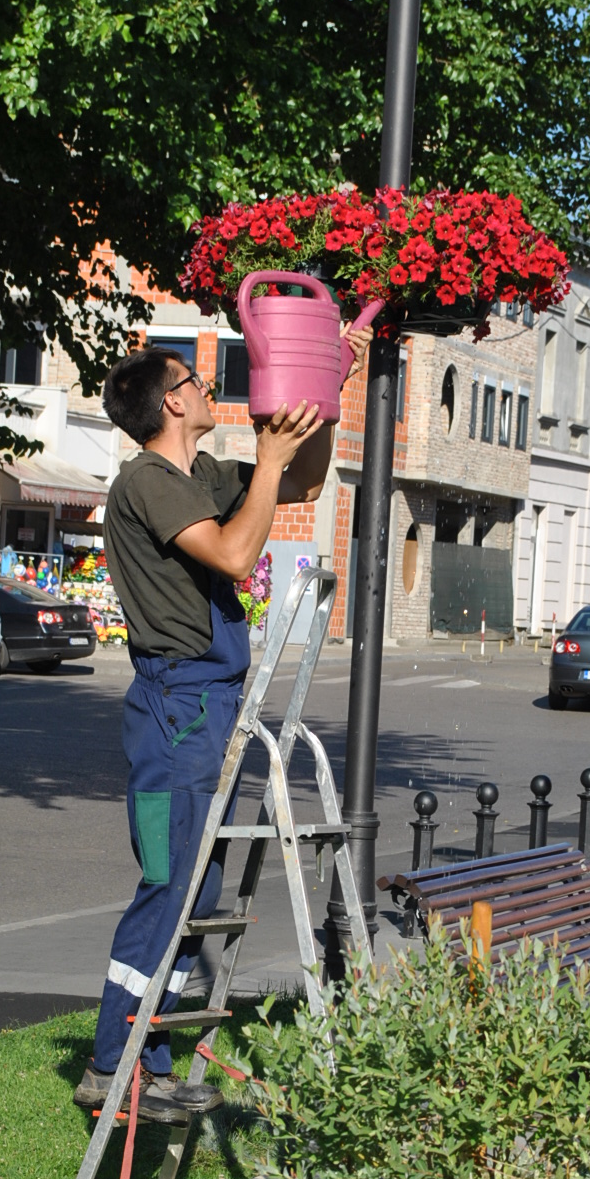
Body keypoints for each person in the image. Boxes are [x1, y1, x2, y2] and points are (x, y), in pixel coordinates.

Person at [73, 327, 370, 1117]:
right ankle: (112, 1065)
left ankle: (147, 1060)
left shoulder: (199, 473)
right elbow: (237, 557)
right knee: (170, 884)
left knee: (196, 892)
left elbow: (303, 483)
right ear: (170, 403)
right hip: (177, 705)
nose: (207, 387)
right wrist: (267, 461)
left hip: (207, 700)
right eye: (194, 381)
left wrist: (326, 397)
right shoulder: (147, 480)